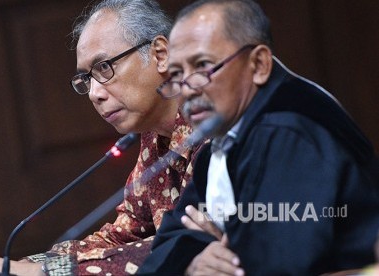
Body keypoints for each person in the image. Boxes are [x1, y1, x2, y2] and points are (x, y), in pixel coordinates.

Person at [0, 0, 206, 275]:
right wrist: (20, 266)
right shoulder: (155, 138)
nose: (94, 94)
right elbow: (121, 238)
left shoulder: (219, 127)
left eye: (104, 67)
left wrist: (49, 272)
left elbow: (183, 248)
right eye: (87, 79)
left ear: (161, 55)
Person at [138, 0, 379, 275]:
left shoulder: (287, 127)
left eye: (203, 65)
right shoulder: (217, 147)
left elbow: (279, 262)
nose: (189, 89)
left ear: (259, 64)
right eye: (178, 74)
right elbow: (162, 251)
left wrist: (221, 245)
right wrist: (194, 261)